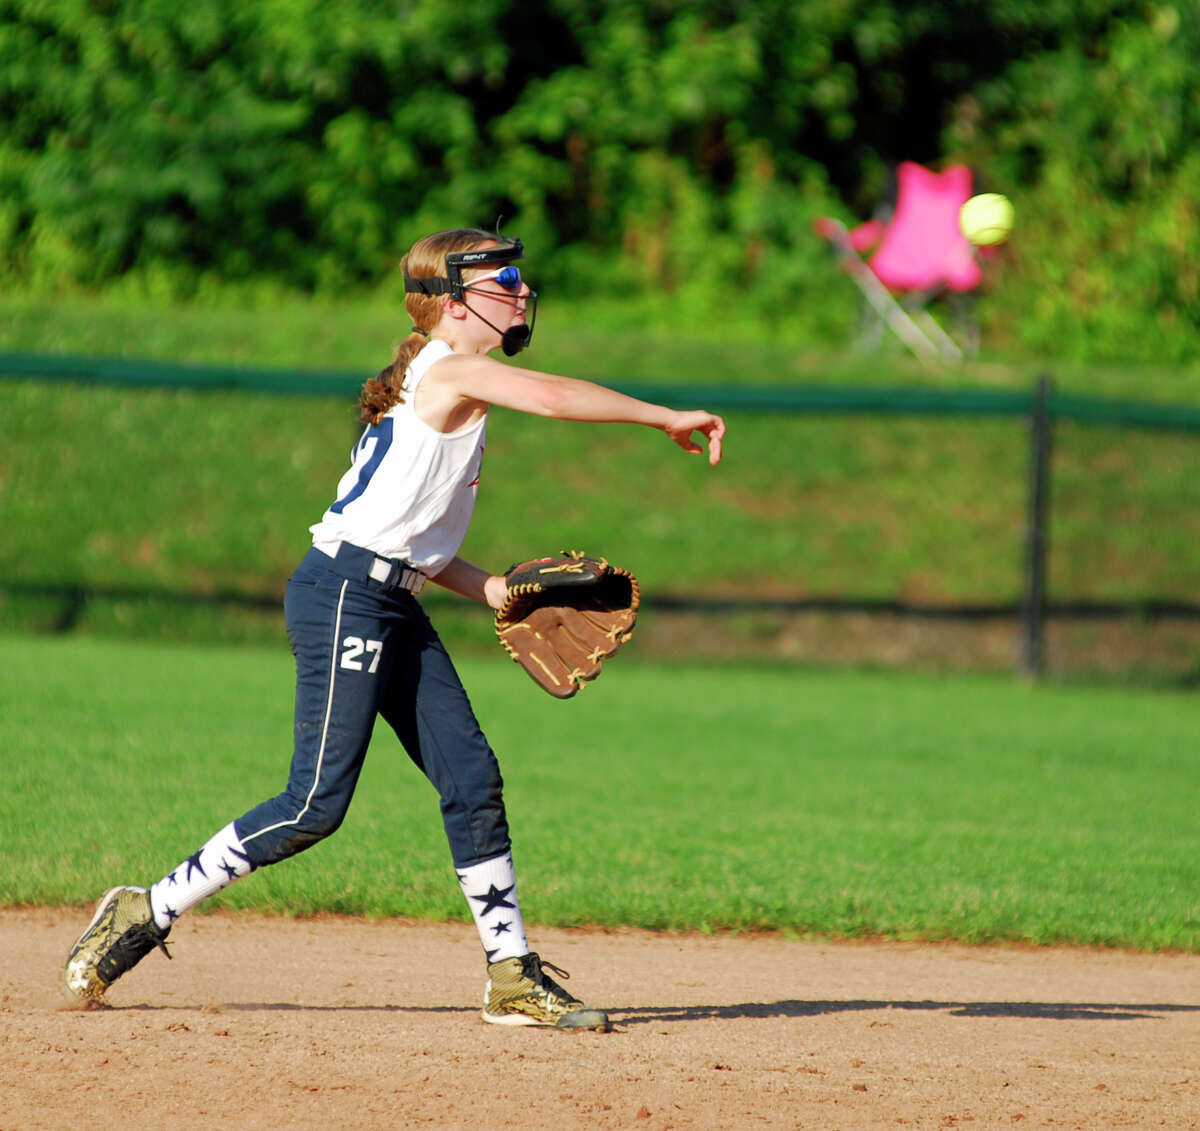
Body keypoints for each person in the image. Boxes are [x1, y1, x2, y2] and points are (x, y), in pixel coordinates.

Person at [62, 226, 725, 1030]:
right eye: (502, 278)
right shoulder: (451, 369)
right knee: (315, 802)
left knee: (471, 777)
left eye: (519, 276)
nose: (520, 289)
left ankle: (512, 974)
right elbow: (552, 397)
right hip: (343, 594)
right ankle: (145, 908)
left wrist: (487, 587)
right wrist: (663, 417)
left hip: (388, 595)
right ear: (452, 302)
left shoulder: (437, 376)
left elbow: (407, 538)